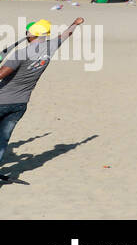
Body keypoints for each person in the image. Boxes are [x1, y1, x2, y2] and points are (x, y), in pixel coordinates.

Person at [0, 18, 85, 181]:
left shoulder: (21, 53)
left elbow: (1, 75)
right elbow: (67, 34)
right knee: (2, 138)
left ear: (32, 34)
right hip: (20, 104)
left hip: (2, 99)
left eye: (28, 32)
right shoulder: (50, 47)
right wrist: (75, 23)